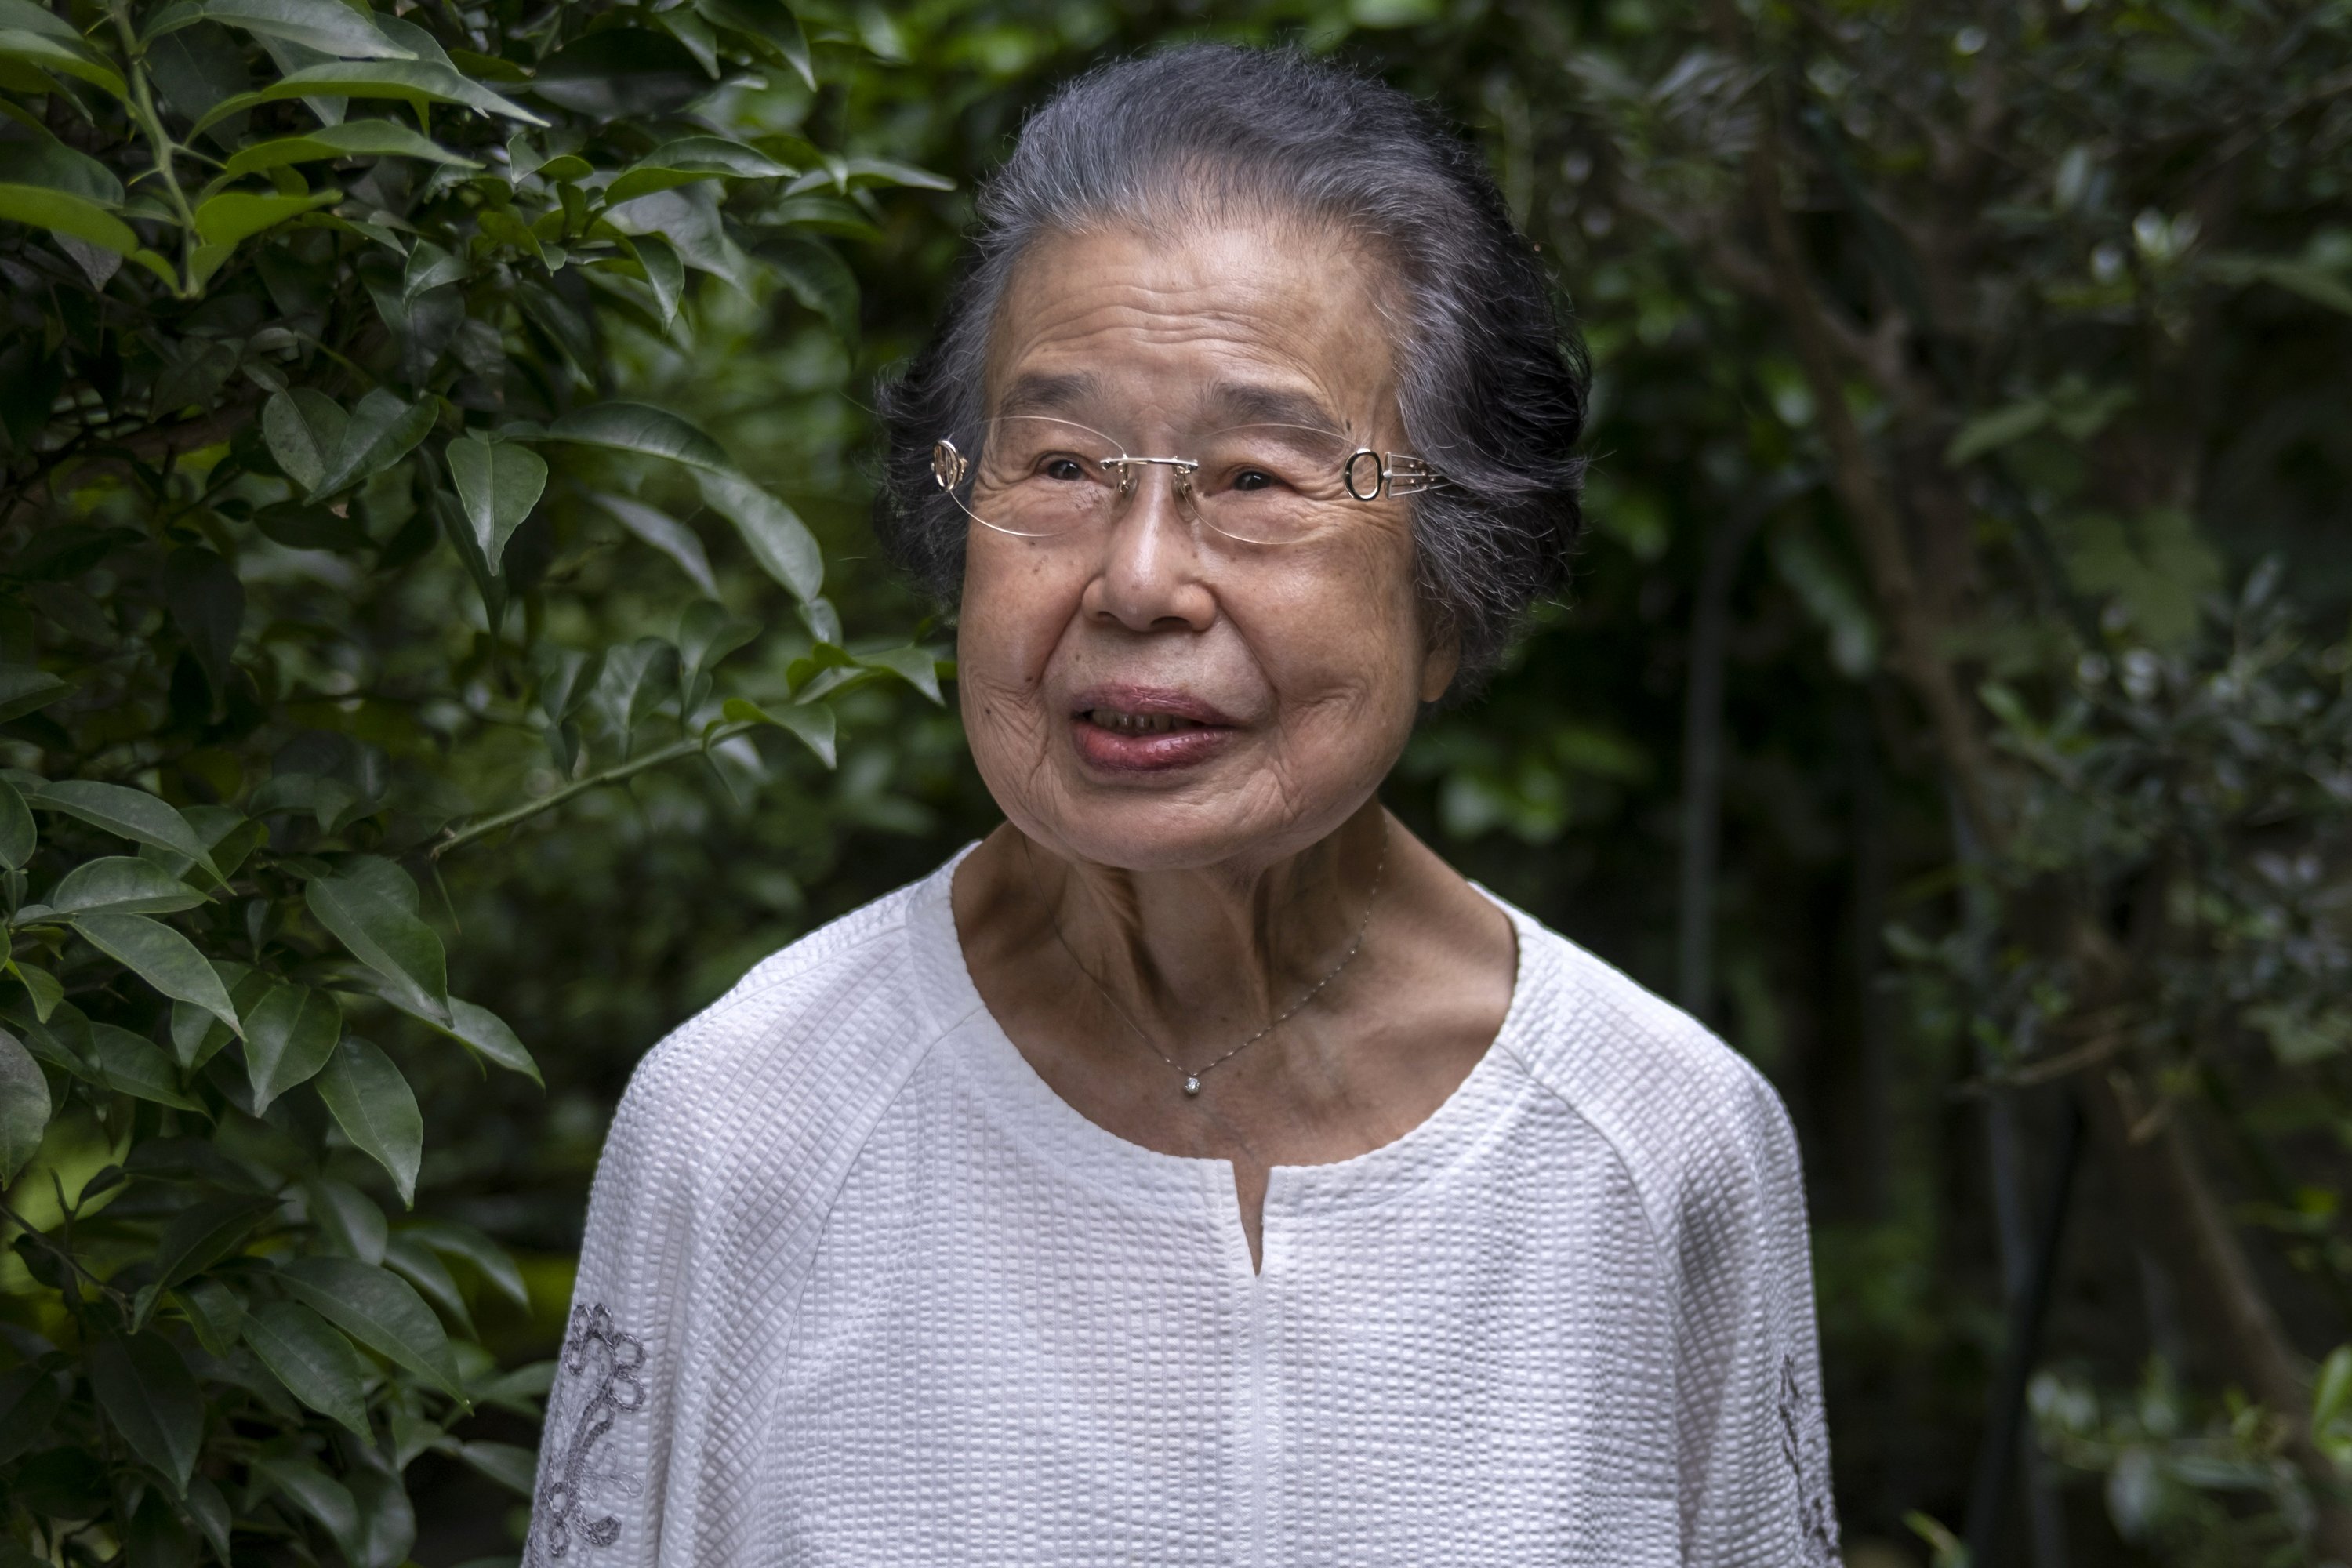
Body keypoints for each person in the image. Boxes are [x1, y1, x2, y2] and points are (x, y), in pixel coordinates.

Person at [525, 43, 1839, 1568]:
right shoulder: (747, 1125)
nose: (1139, 579)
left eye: (1260, 478)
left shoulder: (1663, 1147)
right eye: (1062, 463)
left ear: (1453, 594)